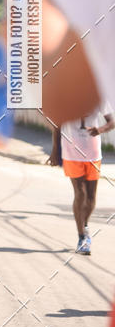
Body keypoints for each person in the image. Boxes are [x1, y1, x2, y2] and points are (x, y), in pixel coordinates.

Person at [39, 0, 115, 327]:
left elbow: (62, 91)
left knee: (90, 188)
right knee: (80, 192)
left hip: (92, 138)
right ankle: (83, 232)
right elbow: (61, 111)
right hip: (76, 140)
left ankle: (85, 229)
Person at [49, 106, 114, 254]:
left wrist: (101, 130)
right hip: (71, 153)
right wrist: (55, 150)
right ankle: (82, 237)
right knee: (80, 193)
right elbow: (57, 124)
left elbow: (111, 122)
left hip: (93, 154)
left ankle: (84, 225)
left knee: (91, 198)